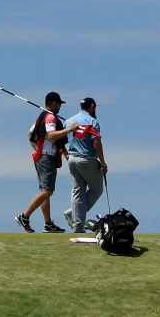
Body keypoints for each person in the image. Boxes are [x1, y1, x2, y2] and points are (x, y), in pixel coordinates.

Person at [16, 92, 76, 233]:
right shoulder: (49, 117)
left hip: (43, 156)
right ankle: (24, 216)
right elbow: (51, 135)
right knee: (48, 191)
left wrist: (39, 150)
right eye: (59, 103)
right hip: (46, 157)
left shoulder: (41, 117)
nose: (60, 106)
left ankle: (48, 224)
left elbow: (30, 135)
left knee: (45, 191)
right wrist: (70, 129)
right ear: (54, 103)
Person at [63, 97, 109, 234]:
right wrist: (103, 162)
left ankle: (78, 226)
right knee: (96, 189)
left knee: (78, 192)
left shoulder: (69, 121)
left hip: (72, 159)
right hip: (87, 159)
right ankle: (74, 214)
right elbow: (96, 143)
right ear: (92, 107)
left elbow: (60, 142)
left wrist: (66, 155)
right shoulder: (92, 121)